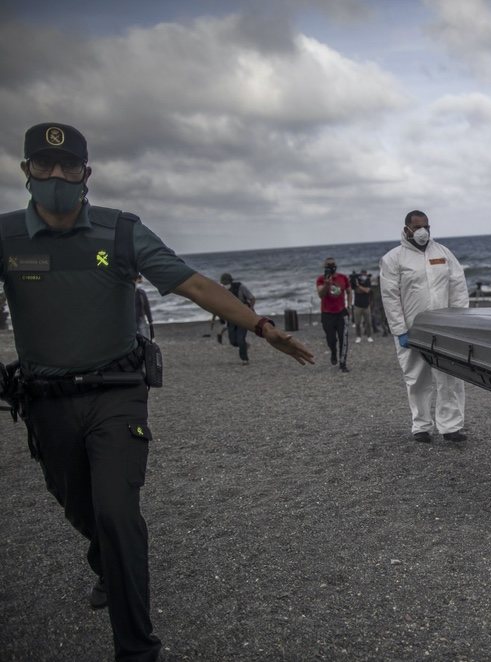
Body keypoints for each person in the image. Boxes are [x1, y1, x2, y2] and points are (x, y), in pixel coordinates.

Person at [0, 122, 313, 662]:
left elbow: (192, 283)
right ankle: (104, 559)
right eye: (44, 166)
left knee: (118, 512)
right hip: (46, 401)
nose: (57, 176)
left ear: (86, 174)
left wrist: (262, 328)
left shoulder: (121, 232)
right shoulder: (5, 236)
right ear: (26, 171)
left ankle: (137, 649)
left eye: (68, 167)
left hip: (116, 392)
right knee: (78, 506)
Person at [380, 210, 469, 443]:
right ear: (407, 228)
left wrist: (460, 323)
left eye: (426, 227)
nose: (423, 232)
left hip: (445, 328)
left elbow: (458, 288)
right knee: (417, 378)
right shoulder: (393, 258)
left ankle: (451, 427)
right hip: (412, 329)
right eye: (418, 227)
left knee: (449, 377)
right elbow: (390, 297)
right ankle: (421, 426)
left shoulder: (443, 253)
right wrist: (399, 330)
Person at [316, 257, 351, 371]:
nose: (331, 267)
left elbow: (349, 292)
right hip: (327, 314)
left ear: (336, 266)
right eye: (328, 265)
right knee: (331, 339)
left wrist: (349, 306)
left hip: (341, 313)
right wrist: (327, 284)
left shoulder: (343, 278)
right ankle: (333, 352)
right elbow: (321, 295)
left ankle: (343, 364)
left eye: (333, 264)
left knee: (343, 339)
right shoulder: (321, 279)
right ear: (325, 267)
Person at [219, 272, 256, 365]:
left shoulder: (240, 287)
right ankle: (244, 345)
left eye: (226, 283)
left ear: (231, 281)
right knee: (233, 341)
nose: (225, 285)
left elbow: (252, 298)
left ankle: (244, 359)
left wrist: (250, 309)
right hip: (231, 318)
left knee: (240, 339)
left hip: (243, 316)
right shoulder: (222, 290)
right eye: (223, 283)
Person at [351, 268, 374, 343]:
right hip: (357, 305)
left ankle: (369, 336)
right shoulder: (356, 281)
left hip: (366, 305)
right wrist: (354, 281)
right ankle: (358, 336)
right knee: (357, 323)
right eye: (362, 274)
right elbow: (355, 289)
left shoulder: (367, 280)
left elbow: (367, 290)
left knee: (368, 322)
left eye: (365, 274)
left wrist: (359, 286)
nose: (364, 276)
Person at [134, 274, 154, 341]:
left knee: (145, 339)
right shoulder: (126, 294)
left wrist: (150, 320)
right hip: (129, 320)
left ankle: (145, 351)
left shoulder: (141, 293)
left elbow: (147, 307)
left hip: (140, 318)